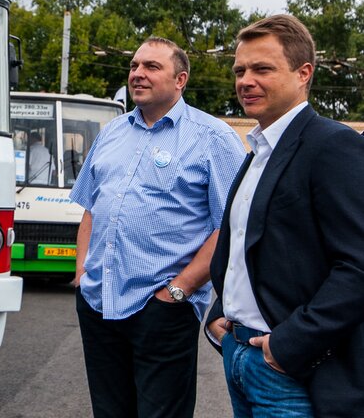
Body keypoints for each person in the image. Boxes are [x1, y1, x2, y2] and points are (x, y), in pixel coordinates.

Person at [70, 36, 246, 418]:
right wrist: (83, 274)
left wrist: (178, 292)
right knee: (109, 411)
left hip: (163, 308)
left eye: (151, 67)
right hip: (99, 303)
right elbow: (91, 208)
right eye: (134, 66)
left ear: (180, 79)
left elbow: (231, 226)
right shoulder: (112, 133)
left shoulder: (212, 137)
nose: (138, 73)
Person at [205, 15, 364, 417]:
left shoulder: (332, 145)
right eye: (240, 70)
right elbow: (242, 247)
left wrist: (287, 345)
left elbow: (357, 266)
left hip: (290, 369)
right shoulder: (258, 150)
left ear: (303, 73)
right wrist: (220, 314)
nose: (245, 81)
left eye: (262, 69)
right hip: (239, 355)